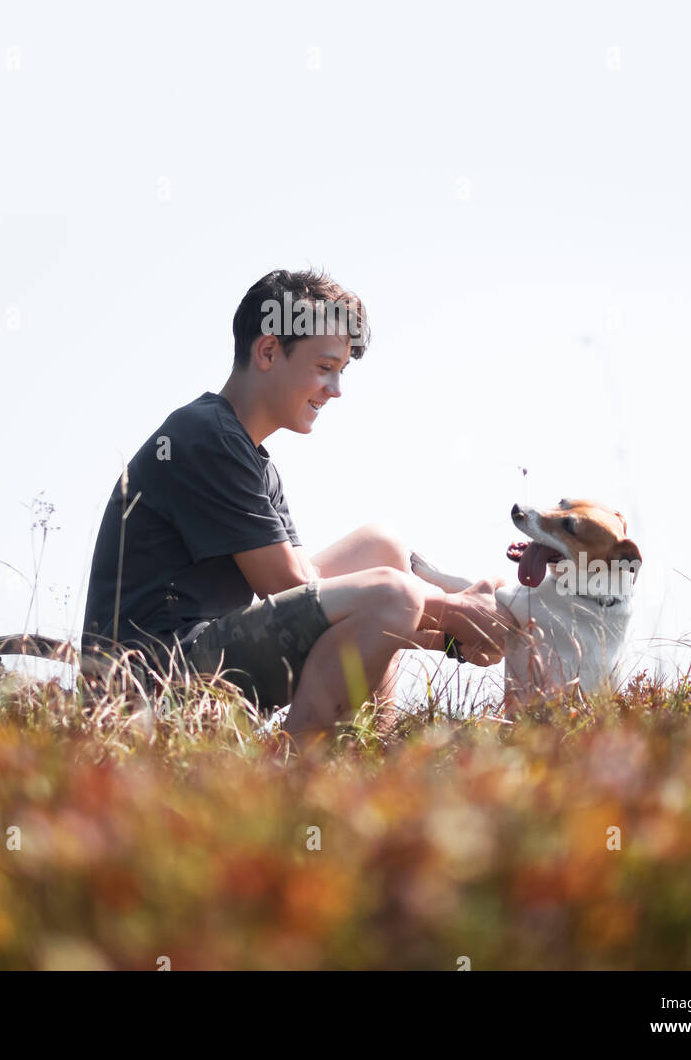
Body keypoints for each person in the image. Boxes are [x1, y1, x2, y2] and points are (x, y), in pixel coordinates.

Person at [81, 267, 518, 752]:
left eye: (342, 372)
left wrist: (455, 631)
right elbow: (290, 591)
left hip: (194, 660)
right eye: (325, 367)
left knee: (382, 550)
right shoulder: (204, 437)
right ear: (268, 351)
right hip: (147, 687)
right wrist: (456, 613)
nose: (336, 389)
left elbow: (312, 594)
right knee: (392, 592)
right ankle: (294, 775)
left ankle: (368, 750)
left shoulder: (247, 453)